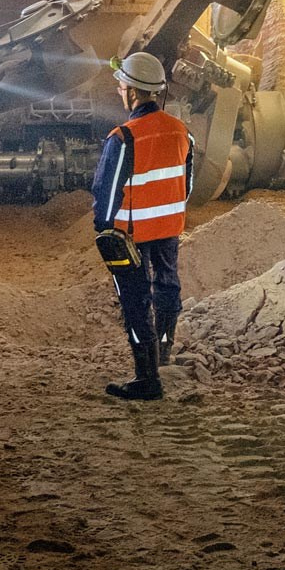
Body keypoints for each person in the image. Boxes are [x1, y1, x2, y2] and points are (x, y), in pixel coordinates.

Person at [91, 51, 193, 401]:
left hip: (130, 235)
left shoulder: (124, 137)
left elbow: (106, 192)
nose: (120, 91)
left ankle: (147, 378)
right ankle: (164, 352)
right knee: (167, 287)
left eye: (122, 86)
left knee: (136, 301)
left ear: (133, 92)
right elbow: (187, 184)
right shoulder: (182, 132)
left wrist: (103, 229)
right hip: (168, 228)